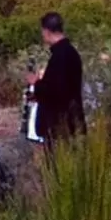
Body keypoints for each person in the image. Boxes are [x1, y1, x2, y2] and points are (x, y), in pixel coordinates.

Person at [28, 12, 85, 144]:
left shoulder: (60, 56)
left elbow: (55, 91)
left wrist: (36, 83)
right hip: (70, 121)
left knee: (58, 161)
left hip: (59, 125)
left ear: (47, 31)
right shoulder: (70, 53)